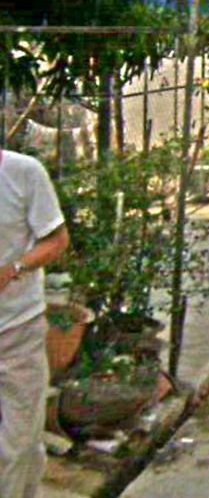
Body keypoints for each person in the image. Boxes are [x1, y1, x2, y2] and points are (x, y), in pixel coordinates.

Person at [0, 148, 69, 497]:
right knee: (23, 447)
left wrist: (14, 268)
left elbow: (56, 239)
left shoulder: (23, 172)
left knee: (18, 443)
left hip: (17, 330)